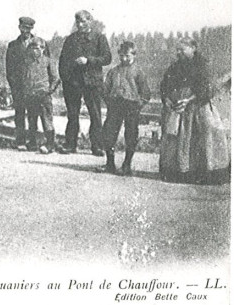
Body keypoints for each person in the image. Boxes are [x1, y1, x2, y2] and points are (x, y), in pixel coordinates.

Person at [159, 37, 230, 184]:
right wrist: (166, 98)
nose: (179, 53)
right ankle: (180, 172)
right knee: (177, 138)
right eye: (177, 50)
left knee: (206, 134)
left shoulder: (203, 65)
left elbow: (207, 88)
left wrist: (190, 99)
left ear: (193, 48)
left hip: (198, 107)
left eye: (182, 49)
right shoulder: (174, 66)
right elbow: (165, 84)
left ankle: (206, 173)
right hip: (179, 109)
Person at [57, 10, 111, 155]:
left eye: (83, 22)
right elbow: (62, 60)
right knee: (72, 114)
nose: (80, 25)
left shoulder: (100, 38)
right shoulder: (70, 39)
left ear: (90, 21)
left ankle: (97, 146)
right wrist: (65, 78)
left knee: (95, 114)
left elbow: (107, 58)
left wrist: (89, 60)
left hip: (92, 82)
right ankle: (70, 144)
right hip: (73, 83)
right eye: (78, 22)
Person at [98, 41, 151, 176]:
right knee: (108, 132)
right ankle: (110, 164)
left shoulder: (138, 72)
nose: (124, 59)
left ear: (134, 55)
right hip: (115, 105)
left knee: (131, 134)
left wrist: (138, 104)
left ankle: (127, 165)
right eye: (121, 55)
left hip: (131, 106)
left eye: (127, 56)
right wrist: (109, 101)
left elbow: (145, 93)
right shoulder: (113, 71)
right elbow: (105, 89)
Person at [6, 17, 50, 150]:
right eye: (24, 28)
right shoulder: (13, 45)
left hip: (34, 87)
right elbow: (9, 68)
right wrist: (14, 86)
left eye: (29, 29)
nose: (26, 31)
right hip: (19, 86)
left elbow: (45, 65)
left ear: (32, 29)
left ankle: (32, 141)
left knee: (33, 114)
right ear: (19, 27)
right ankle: (20, 141)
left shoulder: (40, 43)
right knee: (19, 114)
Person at [21, 39, 60, 153]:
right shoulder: (27, 62)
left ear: (43, 49)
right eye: (32, 48)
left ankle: (50, 144)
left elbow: (55, 78)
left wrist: (49, 90)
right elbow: (24, 78)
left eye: (37, 48)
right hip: (31, 95)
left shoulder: (48, 61)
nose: (35, 51)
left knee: (46, 119)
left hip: (43, 95)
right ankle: (32, 143)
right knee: (32, 120)